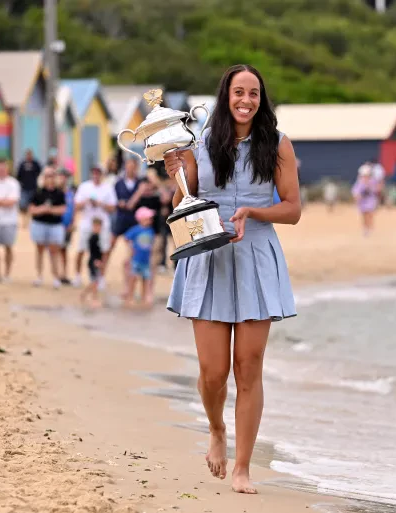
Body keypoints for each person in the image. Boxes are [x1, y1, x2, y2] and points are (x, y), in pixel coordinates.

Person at [163, 64, 301, 494]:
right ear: (226, 96)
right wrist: (177, 178)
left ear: (262, 100)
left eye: (254, 94)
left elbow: (293, 209)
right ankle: (216, 429)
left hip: (257, 256)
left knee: (249, 367)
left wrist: (254, 211)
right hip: (209, 255)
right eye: (239, 92)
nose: (246, 101)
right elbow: (182, 203)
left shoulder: (277, 145)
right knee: (212, 372)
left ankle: (243, 466)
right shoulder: (200, 142)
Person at [73, 166, 116, 287]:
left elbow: (113, 207)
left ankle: (101, 276)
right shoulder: (84, 187)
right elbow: (76, 205)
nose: (96, 175)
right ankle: (77, 275)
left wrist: (100, 204)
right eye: (94, 173)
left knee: (104, 251)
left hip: (102, 223)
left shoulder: (108, 188)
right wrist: (87, 202)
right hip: (87, 222)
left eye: (98, 173)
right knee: (81, 249)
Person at [29, 166, 66, 288]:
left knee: (54, 251)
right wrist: (42, 209)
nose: (49, 179)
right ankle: (39, 275)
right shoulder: (38, 192)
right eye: (47, 176)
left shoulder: (59, 193)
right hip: (40, 224)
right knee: (39, 250)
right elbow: (31, 209)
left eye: (51, 176)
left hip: (54, 225)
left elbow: (62, 209)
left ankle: (55, 276)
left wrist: (50, 210)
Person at [123, 206, 156, 306]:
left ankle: (144, 296)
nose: (150, 220)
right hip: (136, 259)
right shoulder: (136, 230)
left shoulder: (150, 230)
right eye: (148, 218)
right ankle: (130, 296)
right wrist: (130, 248)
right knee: (133, 278)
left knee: (146, 278)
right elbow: (126, 238)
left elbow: (152, 243)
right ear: (141, 219)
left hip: (146, 260)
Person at [80, 217, 105, 307]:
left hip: (96, 260)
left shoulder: (97, 237)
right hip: (93, 261)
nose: (99, 228)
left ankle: (84, 294)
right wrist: (96, 261)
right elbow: (93, 251)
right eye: (97, 226)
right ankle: (94, 299)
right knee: (94, 282)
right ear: (94, 226)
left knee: (95, 281)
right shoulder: (93, 237)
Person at [58, 168, 76, 285]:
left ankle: (64, 273)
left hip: (67, 225)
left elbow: (73, 209)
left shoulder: (70, 193)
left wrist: (72, 223)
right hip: (56, 225)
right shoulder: (56, 191)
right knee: (56, 250)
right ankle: (57, 273)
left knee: (64, 250)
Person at [352, 164, 379, 236]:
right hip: (362, 202)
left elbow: (376, 189)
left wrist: (370, 187)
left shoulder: (372, 181)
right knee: (364, 216)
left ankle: (370, 227)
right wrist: (357, 196)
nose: (365, 177)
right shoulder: (359, 182)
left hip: (371, 201)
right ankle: (365, 228)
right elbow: (355, 191)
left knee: (370, 214)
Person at [17, 149, 41, 225]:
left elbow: (40, 173)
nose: (29, 156)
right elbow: (18, 175)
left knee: (32, 205)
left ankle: (30, 220)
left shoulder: (36, 163)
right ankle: (24, 221)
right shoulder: (22, 164)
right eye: (28, 154)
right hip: (24, 188)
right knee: (23, 206)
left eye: (30, 154)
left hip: (33, 188)